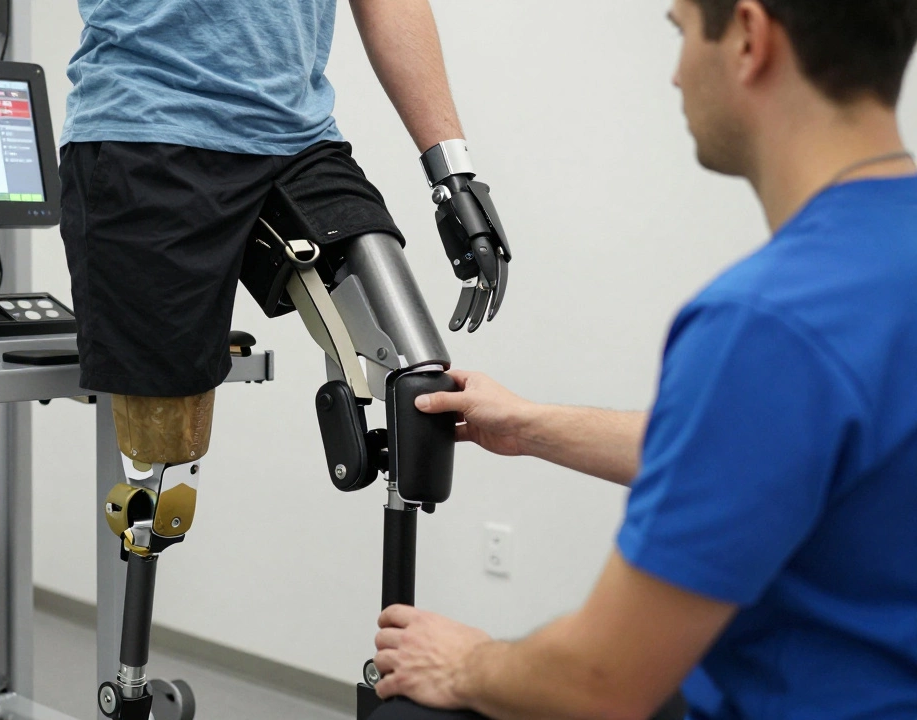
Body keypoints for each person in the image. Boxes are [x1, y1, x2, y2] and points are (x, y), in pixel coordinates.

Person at [370, 1, 917, 719]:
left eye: (682, 33)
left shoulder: (767, 321)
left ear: (749, 38)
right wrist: (528, 425)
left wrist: (465, 662)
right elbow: (773, 450)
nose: (675, 75)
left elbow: (598, 683)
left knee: (414, 705)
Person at [57, 1, 504, 716]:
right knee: (161, 462)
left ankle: (391, 693)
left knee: (418, 391)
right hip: (149, 131)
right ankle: (132, 694)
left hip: (299, 139)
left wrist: (454, 175)